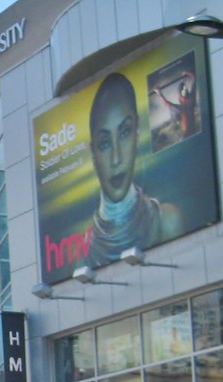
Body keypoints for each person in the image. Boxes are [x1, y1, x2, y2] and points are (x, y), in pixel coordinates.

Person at [88, 72, 183, 266]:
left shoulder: (166, 221)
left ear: (137, 133)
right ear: (93, 154)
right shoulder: (84, 256)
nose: (116, 158)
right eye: (104, 144)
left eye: (124, 133)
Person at [152, 69, 197, 140]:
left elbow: (194, 80)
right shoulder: (182, 107)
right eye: (182, 90)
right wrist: (159, 93)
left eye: (184, 89)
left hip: (192, 135)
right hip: (187, 136)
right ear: (179, 98)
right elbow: (166, 103)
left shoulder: (190, 101)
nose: (184, 90)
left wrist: (187, 73)